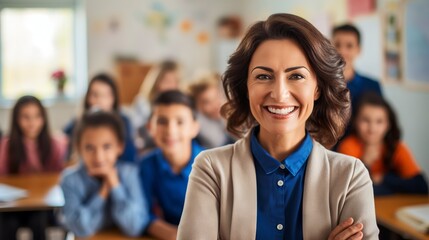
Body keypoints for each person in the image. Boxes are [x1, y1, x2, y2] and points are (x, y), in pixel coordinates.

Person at [178, 13, 379, 239]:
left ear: (317, 88)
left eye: (296, 76)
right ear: (246, 87)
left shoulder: (351, 177)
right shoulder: (211, 171)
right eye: (263, 76)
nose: (279, 94)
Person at [60, 111, 149, 237]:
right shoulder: (70, 180)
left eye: (106, 146)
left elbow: (135, 226)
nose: (99, 157)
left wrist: (115, 186)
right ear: (79, 148)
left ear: (120, 147)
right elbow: (80, 229)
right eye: (90, 148)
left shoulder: (130, 173)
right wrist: (103, 191)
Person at [139, 90, 203, 240]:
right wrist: (176, 235)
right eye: (162, 121)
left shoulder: (214, 165)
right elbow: (142, 214)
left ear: (194, 128)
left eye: (180, 122)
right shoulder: (146, 165)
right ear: (150, 128)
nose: (170, 130)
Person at [0, 95, 66, 240]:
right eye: (26, 117)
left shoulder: (54, 144)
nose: (32, 123)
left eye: (37, 116)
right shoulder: (7, 144)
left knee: (39, 221)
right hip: (14, 206)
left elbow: (58, 177)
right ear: (16, 119)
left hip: (41, 206)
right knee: (6, 224)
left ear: (44, 118)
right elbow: (2, 177)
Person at [338, 93, 428, 196]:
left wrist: (383, 179)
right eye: (365, 120)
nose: (372, 129)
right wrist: (365, 162)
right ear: (355, 122)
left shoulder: (397, 147)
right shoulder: (348, 146)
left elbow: (422, 186)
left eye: (379, 122)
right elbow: (350, 190)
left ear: (388, 125)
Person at [63, 73, 137, 162]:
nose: (99, 101)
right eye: (94, 95)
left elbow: (130, 157)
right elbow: (63, 139)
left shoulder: (123, 122)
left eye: (105, 96)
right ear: (87, 98)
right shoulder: (79, 121)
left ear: (113, 99)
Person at [332, 24, 382, 113]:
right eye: (337, 45)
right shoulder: (320, 84)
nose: (342, 51)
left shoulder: (372, 86)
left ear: (358, 50)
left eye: (349, 46)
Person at [188, 73, 234, 148]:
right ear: (196, 106)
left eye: (217, 96)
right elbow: (217, 142)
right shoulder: (200, 124)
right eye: (207, 102)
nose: (216, 104)